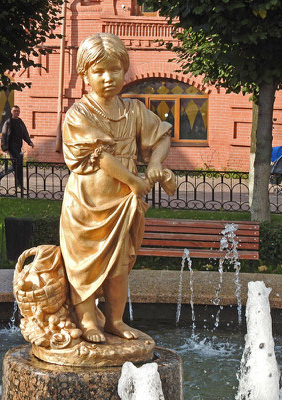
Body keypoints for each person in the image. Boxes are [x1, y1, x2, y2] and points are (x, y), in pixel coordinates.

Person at [60, 33, 172, 343]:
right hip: (87, 203)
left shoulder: (133, 111)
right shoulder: (78, 114)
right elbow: (102, 157)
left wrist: (154, 165)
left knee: (119, 266)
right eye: (99, 71)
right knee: (85, 265)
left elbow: (161, 136)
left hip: (123, 203)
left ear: (125, 71)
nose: (108, 78)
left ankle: (115, 320)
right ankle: (86, 322)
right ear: (85, 76)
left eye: (115, 70)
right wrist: (135, 181)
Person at [0, 105, 34, 188]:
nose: (16, 112)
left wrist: (29, 142)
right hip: (10, 147)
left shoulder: (20, 121)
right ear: (11, 112)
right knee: (17, 164)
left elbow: (24, 133)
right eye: (15, 111)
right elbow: (4, 136)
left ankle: (1, 175)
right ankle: (19, 184)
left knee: (18, 165)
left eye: (18, 111)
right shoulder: (8, 122)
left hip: (18, 147)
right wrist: (5, 148)